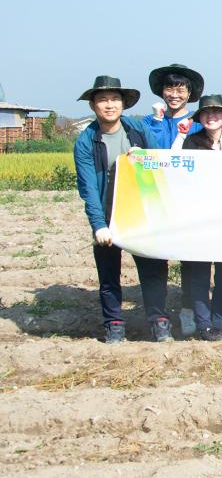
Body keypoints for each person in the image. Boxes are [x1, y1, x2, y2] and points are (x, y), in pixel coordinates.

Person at [74, 76, 172, 343]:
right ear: (93, 105)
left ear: (123, 104)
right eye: (103, 100)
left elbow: (161, 165)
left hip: (141, 213)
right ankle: (114, 324)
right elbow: (88, 188)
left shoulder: (138, 131)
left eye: (114, 99)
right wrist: (98, 225)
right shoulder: (86, 142)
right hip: (108, 214)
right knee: (108, 275)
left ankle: (159, 320)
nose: (109, 105)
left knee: (154, 269)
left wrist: (143, 159)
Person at [172, 95, 222, 341]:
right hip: (199, 220)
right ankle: (204, 324)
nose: (211, 117)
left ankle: (218, 323)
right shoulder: (191, 143)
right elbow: (174, 168)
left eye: (217, 113)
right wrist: (180, 135)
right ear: (200, 118)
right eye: (206, 113)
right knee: (199, 276)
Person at [143, 62, 205, 336]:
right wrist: (157, 123)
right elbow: (151, 153)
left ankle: (188, 310)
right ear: (161, 91)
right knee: (155, 262)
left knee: (193, 262)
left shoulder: (198, 124)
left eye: (181, 88)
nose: (175, 93)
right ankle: (159, 319)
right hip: (157, 203)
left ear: (190, 94)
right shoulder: (148, 122)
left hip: (191, 203)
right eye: (170, 87)